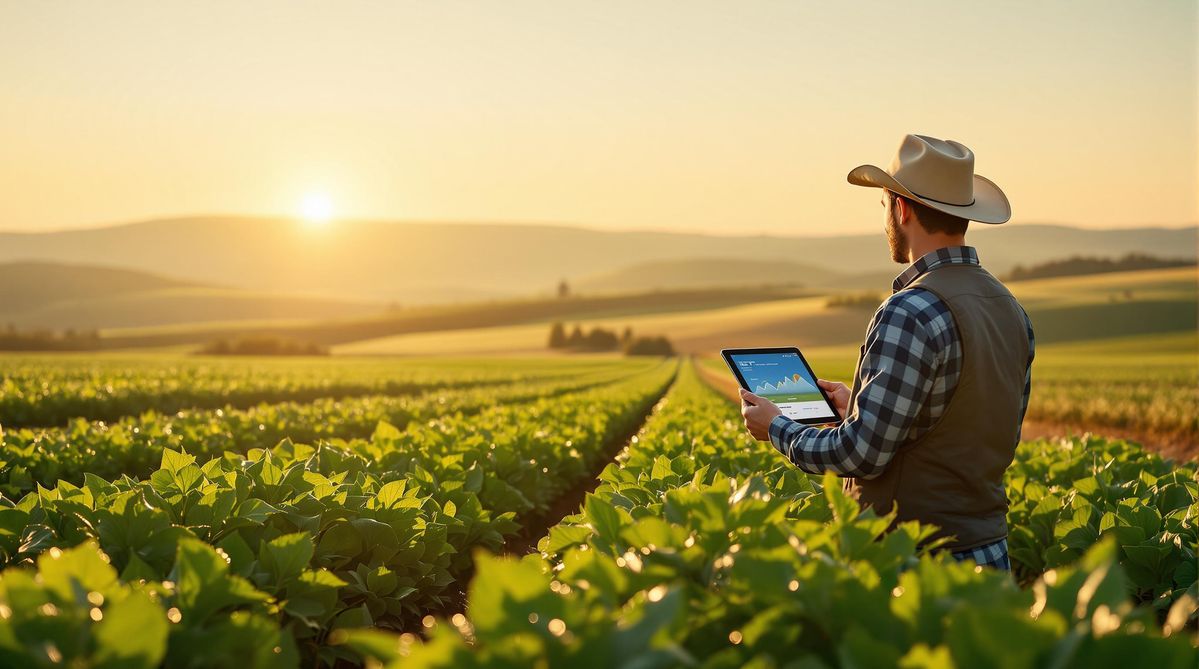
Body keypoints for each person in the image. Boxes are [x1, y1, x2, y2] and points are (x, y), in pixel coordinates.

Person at [738, 133, 1035, 571]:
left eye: (883, 206)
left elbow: (860, 454)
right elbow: (971, 428)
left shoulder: (910, 310)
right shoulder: (1009, 308)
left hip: (914, 564)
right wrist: (858, 407)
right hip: (989, 554)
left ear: (902, 209)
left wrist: (778, 428)